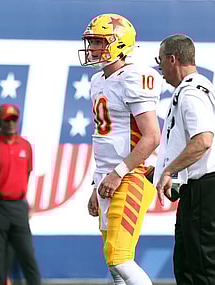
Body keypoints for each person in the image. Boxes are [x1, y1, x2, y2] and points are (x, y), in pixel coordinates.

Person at [78, 14, 162, 284]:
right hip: (109, 176)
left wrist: (118, 173)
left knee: (119, 256)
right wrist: (97, 182)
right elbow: (105, 139)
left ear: (119, 43)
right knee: (113, 263)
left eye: (99, 42)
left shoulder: (134, 77)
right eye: (91, 42)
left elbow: (151, 136)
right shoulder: (98, 81)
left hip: (132, 174)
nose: (92, 49)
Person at [154, 34, 215, 285]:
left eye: (161, 63)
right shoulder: (201, 87)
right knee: (187, 265)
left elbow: (203, 140)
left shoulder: (191, 92)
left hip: (205, 188)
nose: (160, 70)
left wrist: (169, 171)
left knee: (201, 268)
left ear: (173, 59)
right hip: (197, 189)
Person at [0, 104, 42, 285]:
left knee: (27, 254)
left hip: (18, 206)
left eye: (14, 119)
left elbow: (27, 173)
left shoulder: (26, 145)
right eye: (7, 119)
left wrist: (19, 196)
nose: (11, 123)